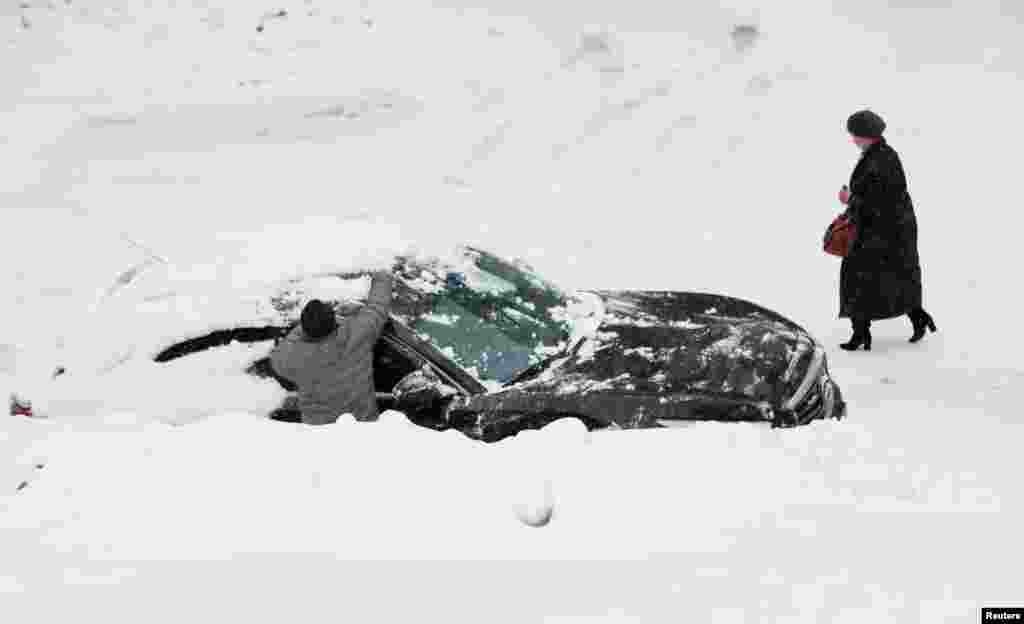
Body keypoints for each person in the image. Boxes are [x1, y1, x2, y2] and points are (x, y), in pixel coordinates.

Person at [837, 109, 937, 351]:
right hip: (887, 231)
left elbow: (881, 201)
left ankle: (864, 332)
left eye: (856, 135)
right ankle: (867, 330)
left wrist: (850, 199)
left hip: (884, 233)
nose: (853, 140)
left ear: (867, 135)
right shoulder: (879, 155)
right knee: (892, 278)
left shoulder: (881, 160)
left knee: (862, 278)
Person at [269, 270, 394, 424]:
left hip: (320, 432)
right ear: (333, 323)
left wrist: (304, 327)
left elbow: (278, 356)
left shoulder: (291, 358)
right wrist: (382, 274)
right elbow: (377, 306)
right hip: (362, 426)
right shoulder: (358, 335)